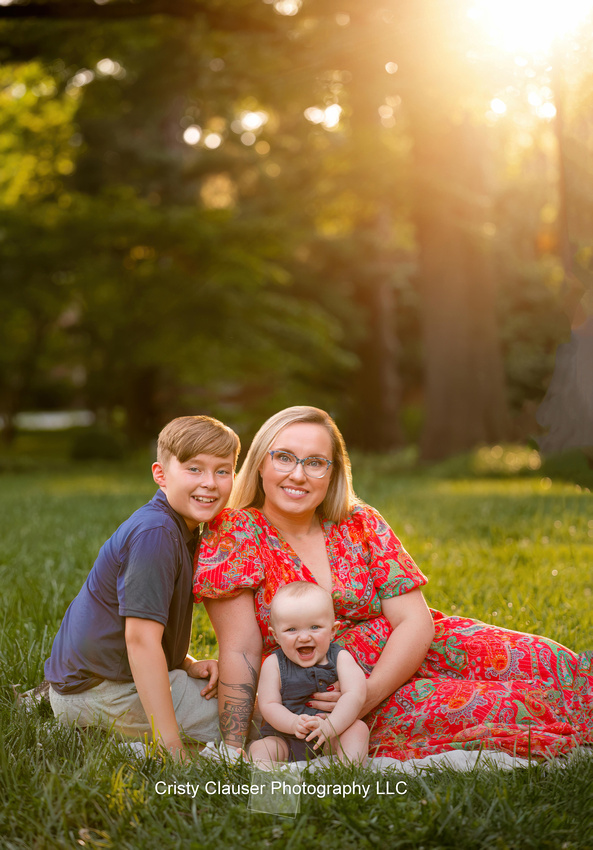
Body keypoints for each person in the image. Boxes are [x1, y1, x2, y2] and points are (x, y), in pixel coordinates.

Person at [193, 405, 593, 761]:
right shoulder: (235, 532)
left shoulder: (359, 522)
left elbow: (415, 620)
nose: (298, 474)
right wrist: (233, 746)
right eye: (284, 457)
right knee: (510, 706)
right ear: (260, 464)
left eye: (315, 462)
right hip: (332, 693)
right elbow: (241, 649)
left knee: (550, 660)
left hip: (406, 660)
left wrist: (370, 690)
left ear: (333, 473)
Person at [45, 415, 240, 760]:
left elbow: (142, 624)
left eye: (222, 471)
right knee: (246, 717)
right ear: (161, 474)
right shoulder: (156, 534)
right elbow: (139, 641)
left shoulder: (183, 527)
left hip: (107, 678)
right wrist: (170, 746)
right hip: (100, 691)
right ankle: (151, 743)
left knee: (239, 698)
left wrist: (186, 663)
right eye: (194, 469)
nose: (210, 483)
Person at [249, 581, 369, 766]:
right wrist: (293, 723)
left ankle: (349, 770)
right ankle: (268, 774)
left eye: (315, 627)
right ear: (276, 636)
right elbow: (269, 704)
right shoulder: (274, 664)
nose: (304, 637)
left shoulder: (340, 658)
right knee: (260, 748)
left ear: (333, 631)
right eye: (291, 629)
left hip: (331, 733)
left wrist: (330, 727)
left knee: (358, 729)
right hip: (286, 737)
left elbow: (355, 694)